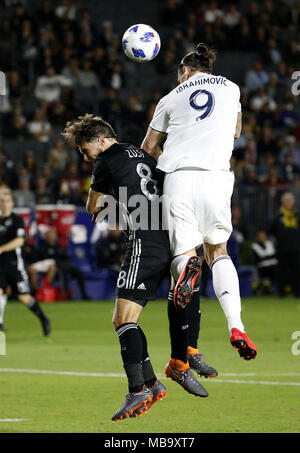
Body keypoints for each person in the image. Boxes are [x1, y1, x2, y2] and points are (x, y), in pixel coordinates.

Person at [62, 114, 213, 421]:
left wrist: (112, 205)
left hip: (143, 242)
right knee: (141, 313)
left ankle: (138, 389)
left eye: (84, 147)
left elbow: (93, 207)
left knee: (123, 319)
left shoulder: (105, 162)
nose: (84, 155)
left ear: (101, 140)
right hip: (170, 238)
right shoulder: (140, 152)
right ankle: (158, 380)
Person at [141, 42, 258, 386]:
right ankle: (236, 325)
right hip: (217, 178)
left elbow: (148, 147)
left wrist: (173, 153)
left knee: (186, 257)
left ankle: (185, 339)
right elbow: (236, 131)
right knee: (218, 252)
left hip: (179, 177)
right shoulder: (232, 88)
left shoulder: (170, 97)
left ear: (185, 72)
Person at [0, 188, 50, 335]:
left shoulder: (17, 220)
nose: (4, 204)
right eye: (2, 201)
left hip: (14, 265)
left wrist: (2, 249)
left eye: (7, 201)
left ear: (12, 203)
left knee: (24, 297)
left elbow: (20, 241)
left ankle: (43, 318)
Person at [32, 228, 91, 300]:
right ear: (46, 236)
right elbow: (41, 260)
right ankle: (65, 295)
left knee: (79, 272)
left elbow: (67, 257)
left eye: (53, 235)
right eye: (50, 235)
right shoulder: (42, 247)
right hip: (54, 268)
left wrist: (65, 263)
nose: (52, 237)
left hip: (64, 265)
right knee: (62, 273)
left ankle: (84, 295)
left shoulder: (59, 246)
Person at [269, 192, 300, 297]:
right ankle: (281, 292)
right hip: (282, 248)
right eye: (286, 201)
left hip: (295, 248)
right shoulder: (278, 216)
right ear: (283, 203)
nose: (288, 203)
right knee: (281, 271)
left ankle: (297, 292)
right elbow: (271, 229)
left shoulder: (296, 215)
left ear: (293, 203)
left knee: (296, 271)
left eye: (290, 201)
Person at [251, 230, 278, 295]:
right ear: (257, 237)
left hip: (273, 265)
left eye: (263, 235)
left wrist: (266, 256)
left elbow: (273, 254)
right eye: (260, 236)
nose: (262, 237)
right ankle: (266, 289)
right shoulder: (255, 245)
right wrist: (269, 256)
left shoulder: (269, 243)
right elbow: (261, 257)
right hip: (262, 267)